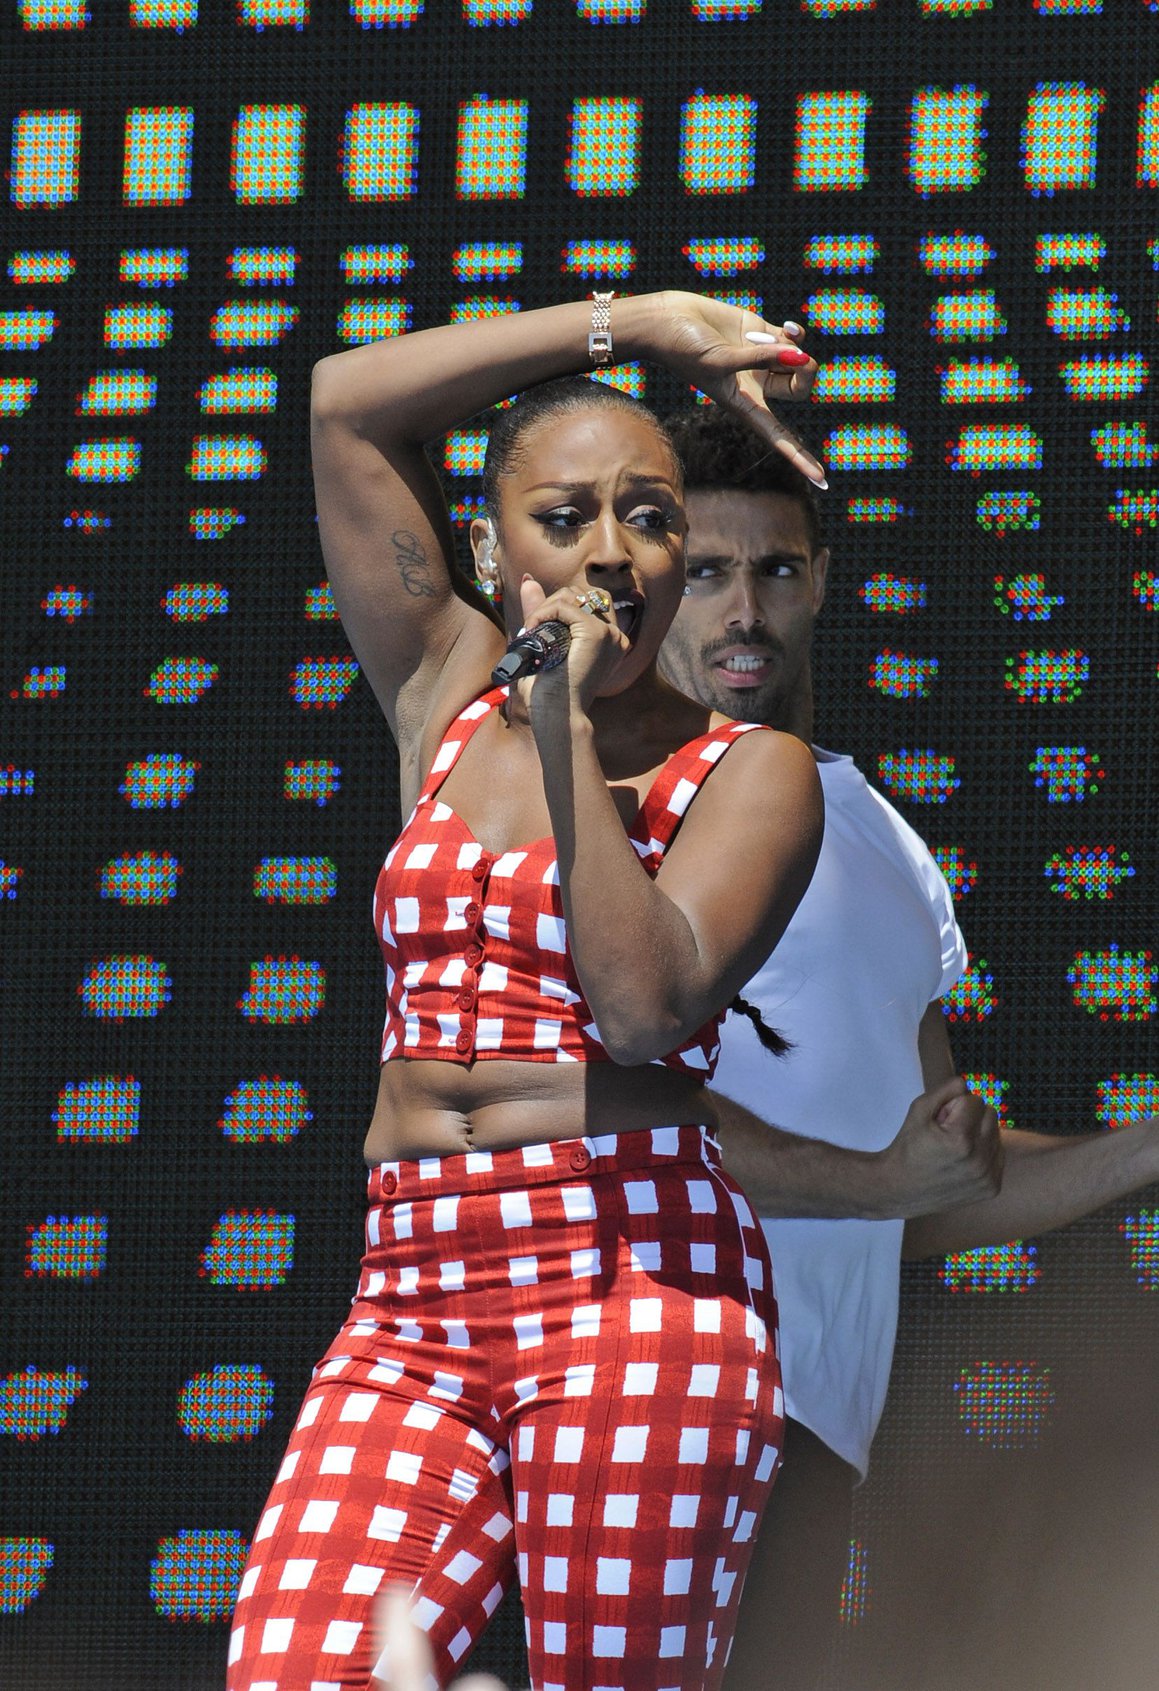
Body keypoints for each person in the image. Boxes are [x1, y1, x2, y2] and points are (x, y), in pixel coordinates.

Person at [225, 288, 991, 1691]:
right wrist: (632, 327)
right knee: (298, 1666)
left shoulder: (746, 771)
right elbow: (344, 402)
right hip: (411, 1292)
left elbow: (645, 1009)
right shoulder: (444, 689)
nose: (609, 551)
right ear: (489, 548)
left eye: (648, 517)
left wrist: (562, 719)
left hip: (633, 1278)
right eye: (564, 516)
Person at [658, 399, 1159, 1691]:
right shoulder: (610, 813)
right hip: (654, 1398)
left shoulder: (883, 839)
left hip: (820, 1440)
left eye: (775, 571)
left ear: (821, 580)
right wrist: (881, 1180)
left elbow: (930, 1190)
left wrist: (1147, 1149)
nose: (746, 612)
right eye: (705, 573)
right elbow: (596, 1120)